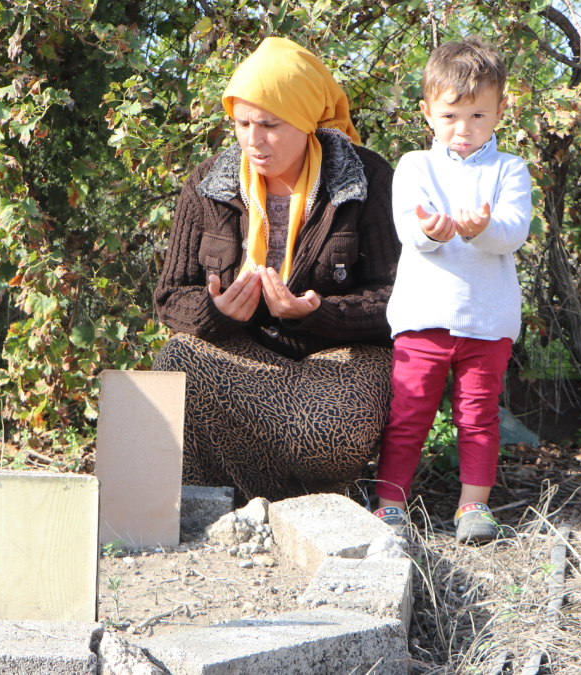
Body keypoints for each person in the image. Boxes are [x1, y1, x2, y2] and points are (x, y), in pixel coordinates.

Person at [153, 37, 401, 503]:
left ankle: (281, 494)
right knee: (175, 363)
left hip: (341, 363)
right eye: (242, 123)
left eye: (269, 124)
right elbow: (171, 296)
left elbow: (399, 298)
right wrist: (216, 312)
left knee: (330, 432)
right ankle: (234, 504)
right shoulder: (207, 184)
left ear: (306, 122)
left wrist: (319, 313)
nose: (253, 139)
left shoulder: (367, 179)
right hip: (245, 357)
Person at [373, 38, 532, 544]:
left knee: (479, 416)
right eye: (450, 116)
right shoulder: (414, 166)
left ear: (501, 111)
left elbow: (514, 231)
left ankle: (473, 506)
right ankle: (390, 505)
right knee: (408, 413)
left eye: (478, 116)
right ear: (427, 112)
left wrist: (484, 229)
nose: (463, 130)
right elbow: (408, 228)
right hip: (423, 318)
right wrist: (431, 232)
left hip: (488, 320)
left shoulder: (510, 169)